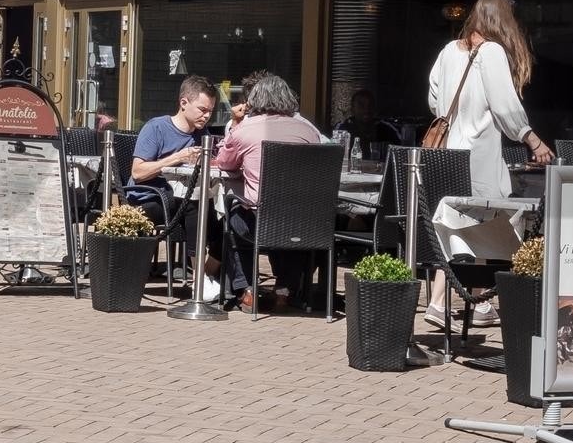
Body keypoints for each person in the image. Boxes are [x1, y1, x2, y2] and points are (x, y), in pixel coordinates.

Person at [425, 0, 553, 328]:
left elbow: (434, 98)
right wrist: (531, 138)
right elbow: (504, 105)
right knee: (482, 222)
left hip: (449, 152)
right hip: (479, 153)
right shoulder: (492, 52)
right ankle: (439, 302)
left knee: (464, 223)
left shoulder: (449, 51)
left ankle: (479, 305)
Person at [210, 73, 324, 313]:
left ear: (255, 99)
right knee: (290, 223)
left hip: (259, 220)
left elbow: (224, 162)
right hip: (302, 223)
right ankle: (284, 290)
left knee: (235, 218)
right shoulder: (309, 132)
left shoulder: (246, 129)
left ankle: (247, 289)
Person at [128, 75, 219, 287]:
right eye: (202, 109)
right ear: (184, 103)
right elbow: (138, 172)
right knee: (194, 205)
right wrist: (178, 157)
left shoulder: (203, 134)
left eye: (211, 111)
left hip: (181, 197)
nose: (207, 116)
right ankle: (199, 280)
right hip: (149, 197)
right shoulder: (156, 127)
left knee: (224, 219)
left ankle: (207, 273)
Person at [334, 89, 401, 157]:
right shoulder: (342, 128)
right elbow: (333, 153)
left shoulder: (387, 129)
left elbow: (401, 152)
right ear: (352, 109)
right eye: (361, 105)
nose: (366, 110)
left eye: (370, 105)